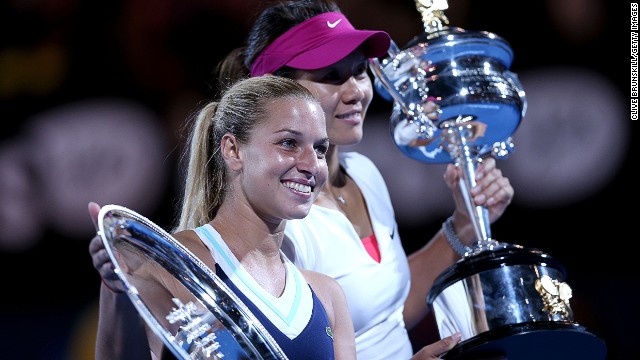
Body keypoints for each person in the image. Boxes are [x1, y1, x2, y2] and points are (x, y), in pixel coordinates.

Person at [91, 1, 513, 359]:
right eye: (330, 76)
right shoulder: (283, 217)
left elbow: (386, 306)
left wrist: (463, 223)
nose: (355, 91)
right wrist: (117, 291)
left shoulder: (364, 175)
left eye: (360, 70)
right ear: (275, 91)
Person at [89, 75, 356, 359]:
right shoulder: (174, 266)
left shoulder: (328, 296)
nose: (311, 164)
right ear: (233, 150)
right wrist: (115, 292)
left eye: (320, 149)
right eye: (289, 143)